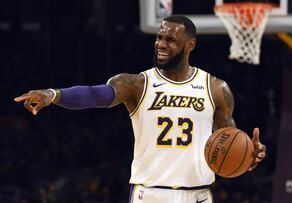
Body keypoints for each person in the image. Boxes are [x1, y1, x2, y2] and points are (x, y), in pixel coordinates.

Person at [14, 15, 266, 203]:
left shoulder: (215, 88)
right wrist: (53, 95)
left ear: (190, 46)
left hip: (199, 194)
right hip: (152, 194)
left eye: (170, 39)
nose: (161, 44)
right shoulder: (138, 84)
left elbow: (228, 142)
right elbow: (94, 94)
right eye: (159, 37)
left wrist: (249, 157)